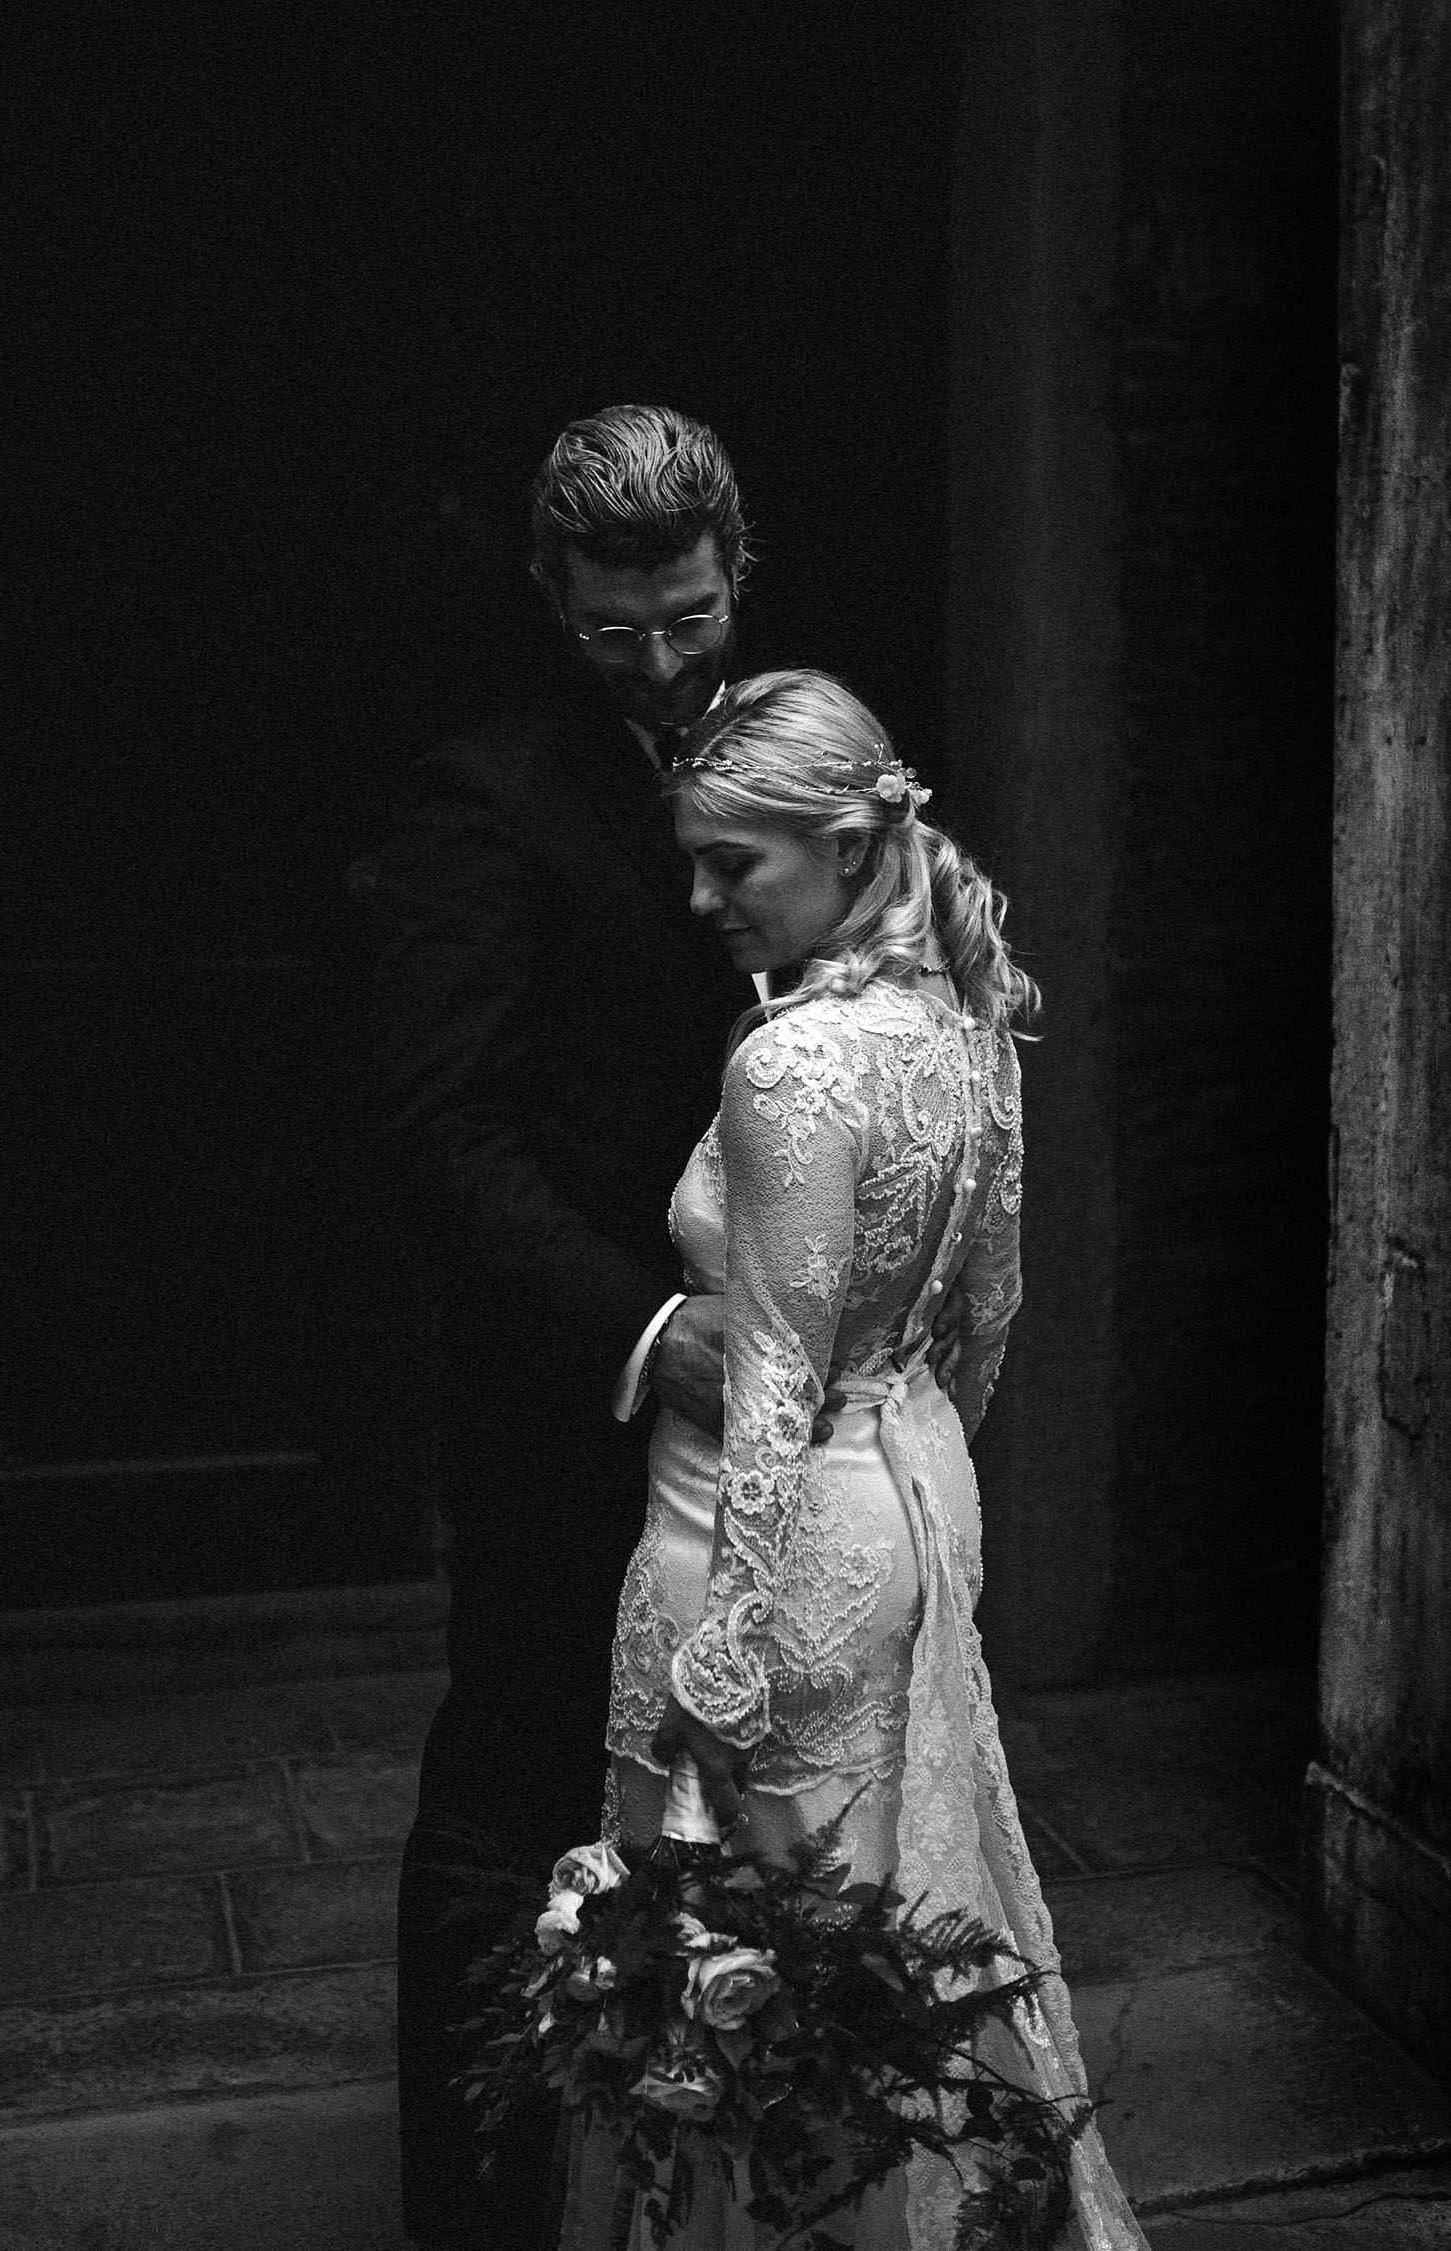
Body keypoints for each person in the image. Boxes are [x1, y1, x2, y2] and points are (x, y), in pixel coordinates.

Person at [352, 410, 969, 2250]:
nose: (657, 662)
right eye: (611, 629)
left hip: (798, 1420)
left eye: (689, 618)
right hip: (579, 1392)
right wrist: (645, 1328)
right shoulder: (484, 796)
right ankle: (475, 2213)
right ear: (553, 595)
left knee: (755, 1823)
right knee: (513, 1798)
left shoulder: (802, 745)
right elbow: (442, 1133)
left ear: (737, 571)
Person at [557, 671, 1148, 2248]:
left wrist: (729, 1646)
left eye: (729, 864)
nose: (703, 900)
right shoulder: (964, 1019)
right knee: (867, 1931)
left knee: (743, 1962)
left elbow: (771, 1374)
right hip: (905, 1494)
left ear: (840, 844)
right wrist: (912, 1473)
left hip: (757, 1535)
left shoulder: (795, 1063)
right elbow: (990, 1315)